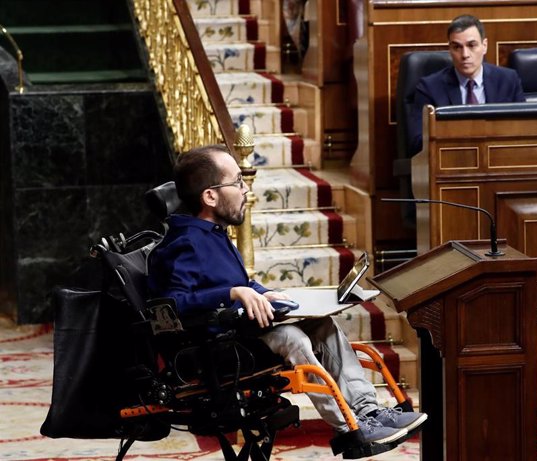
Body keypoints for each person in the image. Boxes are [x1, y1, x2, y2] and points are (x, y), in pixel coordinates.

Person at [147, 144, 427, 448]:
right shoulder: (183, 243)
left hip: (241, 332)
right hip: (211, 348)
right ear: (210, 196)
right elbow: (171, 307)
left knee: (324, 327)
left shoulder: (212, 233)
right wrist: (231, 292)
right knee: (293, 337)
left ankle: (369, 411)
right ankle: (351, 429)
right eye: (237, 182)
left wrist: (265, 293)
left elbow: (229, 283)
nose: (244, 190)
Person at [408, 14, 526, 154]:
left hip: (500, 160)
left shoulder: (508, 80)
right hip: (452, 162)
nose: (464, 54)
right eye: (457, 47)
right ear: (450, 50)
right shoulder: (429, 88)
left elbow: (524, 130)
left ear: (484, 46)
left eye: (471, 45)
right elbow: (417, 142)